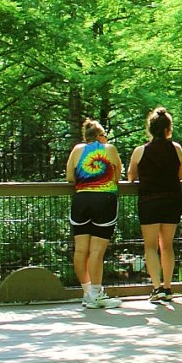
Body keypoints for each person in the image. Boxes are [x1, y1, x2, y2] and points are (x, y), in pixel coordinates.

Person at [129, 107, 182, 303]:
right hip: (172, 200)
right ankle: (169, 287)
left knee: (151, 247)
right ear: (168, 128)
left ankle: (156, 288)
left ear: (150, 129)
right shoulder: (176, 149)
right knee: (167, 246)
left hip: (149, 202)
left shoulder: (140, 151)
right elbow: (180, 175)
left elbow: (131, 176)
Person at [66, 119, 122, 309]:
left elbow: (69, 177)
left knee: (81, 250)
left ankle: (87, 292)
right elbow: (117, 176)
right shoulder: (109, 149)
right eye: (104, 135)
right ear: (99, 136)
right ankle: (97, 294)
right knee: (97, 251)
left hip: (81, 200)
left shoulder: (77, 150)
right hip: (104, 201)